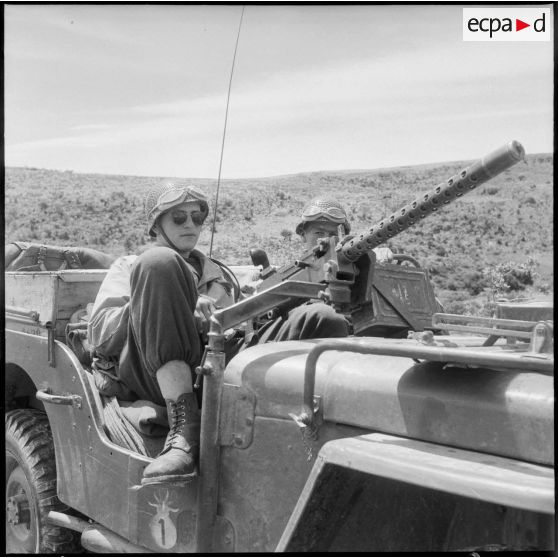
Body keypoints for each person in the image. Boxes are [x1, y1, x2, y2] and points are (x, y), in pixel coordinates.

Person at [87, 182, 234, 486]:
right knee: (160, 262)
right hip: (146, 373)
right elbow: (100, 334)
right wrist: (171, 303)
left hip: (210, 372)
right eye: (178, 218)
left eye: (196, 217)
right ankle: (184, 432)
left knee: (315, 317)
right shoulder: (135, 266)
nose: (190, 224)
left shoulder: (218, 276)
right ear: (157, 226)